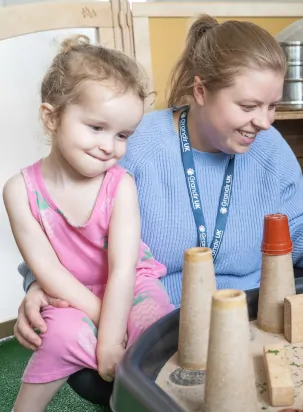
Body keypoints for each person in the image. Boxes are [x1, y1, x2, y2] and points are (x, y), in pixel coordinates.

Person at [12, 15, 303, 400]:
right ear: (200, 91)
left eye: (272, 106)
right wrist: (38, 285)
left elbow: (296, 220)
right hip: (156, 326)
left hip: (249, 317)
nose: (265, 122)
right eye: (249, 105)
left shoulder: (270, 148)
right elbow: (63, 226)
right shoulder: (130, 143)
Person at [3, 35, 175, 411]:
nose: (109, 146)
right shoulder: (19, 190)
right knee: (58, 334)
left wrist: (116, 338)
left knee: (155, 329)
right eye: (96, 127)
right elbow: (47, 270)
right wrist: (107, 330)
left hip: (130, 284)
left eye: (122, 135)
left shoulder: (121, 186)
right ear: (52, 116)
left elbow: (123, 269)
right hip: (69, 293)